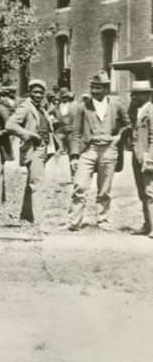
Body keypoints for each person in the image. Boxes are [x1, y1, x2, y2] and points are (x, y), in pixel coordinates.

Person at [66, 71, 130, 231]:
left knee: (104, 189)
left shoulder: (116, 105)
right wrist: (74, 156)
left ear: (106, 88)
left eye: (99, 87)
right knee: (80, 186)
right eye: (93, 87)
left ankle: (102, 219)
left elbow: (127, 124)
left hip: (109, 150)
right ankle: (74, 222)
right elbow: (75, 132)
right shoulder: (83, 107)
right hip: (88, 150)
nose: (95, 91)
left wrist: (118, 137)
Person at [6, 79, 53, 223]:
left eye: (41, 92)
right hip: (33, 148)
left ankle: (26, 216)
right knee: (38, 183)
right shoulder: (25, 107)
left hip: (43, 148)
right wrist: (29, 134)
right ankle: (39, 220)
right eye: (35, 92)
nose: (38, 95)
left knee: (32, 181)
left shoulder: (41, 108)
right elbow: (10, 125)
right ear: (30, 92)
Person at [129, 80, 153, 238]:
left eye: (138, 93)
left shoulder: (150, 110)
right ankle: (147, 224)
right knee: (142, 192)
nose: (135, 96)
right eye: (135, 93)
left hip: (147, 156)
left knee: (150, 191)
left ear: (147, 94)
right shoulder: (138, 109)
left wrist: (150, 157)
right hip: (137, 155)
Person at [49, 87, 77, 178]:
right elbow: (47, 113)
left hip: (72, 131)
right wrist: (53, 119)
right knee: (56, 150)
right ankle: (55, 174)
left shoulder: (74, 105)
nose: (64, 98)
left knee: (73, 154)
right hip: (61, 131)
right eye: (63, 97)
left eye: (66, 97)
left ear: (68, 97)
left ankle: (73, 175)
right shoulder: (56, 107)